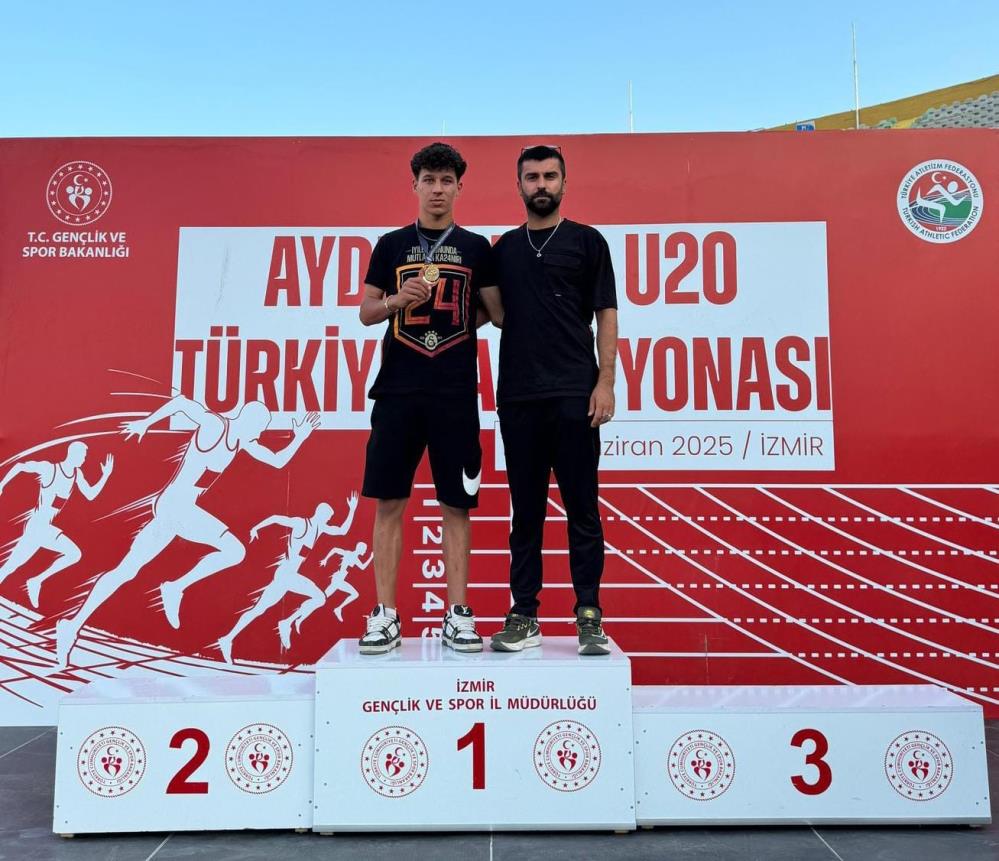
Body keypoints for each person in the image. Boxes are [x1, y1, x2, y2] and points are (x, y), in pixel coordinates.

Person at [357, 142, 501, 655]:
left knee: (456, 503)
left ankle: (458, 613)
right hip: (397, 390)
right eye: (429, 180)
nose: (437, 189)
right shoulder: (391, 244)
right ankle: (385, 614)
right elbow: (367, 312)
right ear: (414, 185)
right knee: (389, 501)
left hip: (455, 392)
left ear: (459, 187)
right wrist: (399, 299)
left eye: (446, 181)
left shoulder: (477, 247)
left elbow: (496, 313)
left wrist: (458, 316)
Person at [54, 396, 319, 666]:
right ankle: (174, 588)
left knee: (128, 570)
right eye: (260, 428)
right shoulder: (215, 426)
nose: (260, 435)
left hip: (181, 511)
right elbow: (181, 403)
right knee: (233, 550)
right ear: (249, 420)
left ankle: (71, 625)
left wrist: (300, 437)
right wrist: (147, 422)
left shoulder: (242, 442)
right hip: (173, 506)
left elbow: (277, 461)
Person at [489, 145, 618, 656]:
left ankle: (589, 616)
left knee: (582, 509)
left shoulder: (588, 242)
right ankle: (524, 614)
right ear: (518, 185)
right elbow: (494, 314)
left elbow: (606, 313)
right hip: (519, 397)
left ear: (564, 182)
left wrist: (605, 382)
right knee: (526, 514)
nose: (540, 185)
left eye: (549, 176)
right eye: (532, 177)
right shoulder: (503, 250)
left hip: (574, 394)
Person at [216, 493, 358, 663]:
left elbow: (342, 531)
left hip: (290, 576)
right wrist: (256, 528)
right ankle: (282, 624)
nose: (328, 521)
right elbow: (276, 518)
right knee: (315, 598)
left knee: (261, 609)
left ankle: (229, 638)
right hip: (285, 575)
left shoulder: (319, 529)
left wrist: (352, 510)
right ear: (321, 514)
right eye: (328, 518)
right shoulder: (301, 524)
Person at [0, 442, 114, 607]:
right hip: (36, 527)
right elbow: (20, 466)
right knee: (11, 566)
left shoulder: (76, 474)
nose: (84, 460)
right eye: (83, 456)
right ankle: (35, 581)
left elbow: (90, 495)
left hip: (46, 528)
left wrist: (106, 475)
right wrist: (1, 485)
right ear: (73, 454)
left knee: (73, 554)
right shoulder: (50, 469)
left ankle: (36, 581)